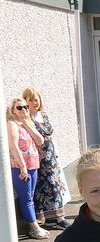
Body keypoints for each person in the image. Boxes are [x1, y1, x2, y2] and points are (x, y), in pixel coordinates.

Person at [24, 88, 70, 229]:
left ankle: (52, 219)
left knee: (55, 184)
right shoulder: (27, 119)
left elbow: (49, 134)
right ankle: (58, 218)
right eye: (31, 100)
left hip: (51, 157)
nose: (34, 102)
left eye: (36, 99)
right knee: (48, 187)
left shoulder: (43, 115)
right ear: (26, 102)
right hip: (40, 158)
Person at [7, 97, 47, 239]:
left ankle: (34, 225)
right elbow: (13, 147)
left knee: (30, 196)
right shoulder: (12, 124)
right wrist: (23, 166)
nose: (23, 109)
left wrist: (26, 122)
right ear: (13, 110)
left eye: (25, 107)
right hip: (20, 167)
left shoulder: (27, 123)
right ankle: (34, 227)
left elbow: (40, 141)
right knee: (26, 198)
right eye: (19, 108)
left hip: (33, 165)